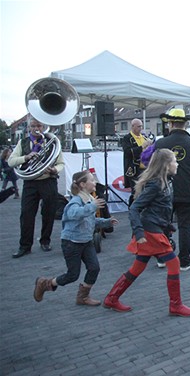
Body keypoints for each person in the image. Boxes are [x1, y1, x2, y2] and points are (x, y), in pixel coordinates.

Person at [103, 149, 190, 317]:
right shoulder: (156, 184)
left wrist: (166, 226)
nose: (177, 163)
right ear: (166, 165)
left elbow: (161, 208)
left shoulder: (166, 181)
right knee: (174, 263)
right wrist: (139, 233)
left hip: (154, 229)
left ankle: (112, 298)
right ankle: (175, 305)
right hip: (149, 231)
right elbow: (134, 208)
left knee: (137, 267)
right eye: (175, 160)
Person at [33, 170, 118, 305]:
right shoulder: (76, 201)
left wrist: (106, 221)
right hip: (71, 243)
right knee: (72, 275)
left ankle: (83, 297)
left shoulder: (89, 199)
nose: (94, 182)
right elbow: (75, 214)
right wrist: (92, 206)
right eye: (91, 180)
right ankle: (46, 283)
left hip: (86, 241)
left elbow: (90, 221)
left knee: (94, 268)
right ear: (83, 184)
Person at [153, 109, 190, 271]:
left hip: (164, 190)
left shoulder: (159, 143)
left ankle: (163, 257)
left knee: (163, 224)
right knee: (185, 227)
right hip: (189, 190)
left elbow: (145, 160)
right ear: (185, 124)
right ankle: (184, 260)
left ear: (170, 124)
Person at [8, 117, 64, 258]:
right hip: (30, 182)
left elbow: (61, 163)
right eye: (33, 126)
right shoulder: (23, 142)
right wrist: (26, 158)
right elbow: (11, 162)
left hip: (48, 181)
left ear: (43, 126)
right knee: (26, 214)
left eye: (38, 125)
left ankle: (45, 241)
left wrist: (54, 170)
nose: (36, 128)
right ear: (29, 128)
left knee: (49, 212)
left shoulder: (52, 142)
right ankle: (25, 246)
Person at [122, 118, 152, 206]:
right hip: (134, 169)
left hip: (145, 169)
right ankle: (133, 207)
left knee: (145, 189)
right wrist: (141, 147)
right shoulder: (127, 138)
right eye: (139, 126)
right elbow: (127, 152)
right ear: (133, 127)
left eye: (141, 126)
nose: (141, 128)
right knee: (136, 190)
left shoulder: (144, 137)